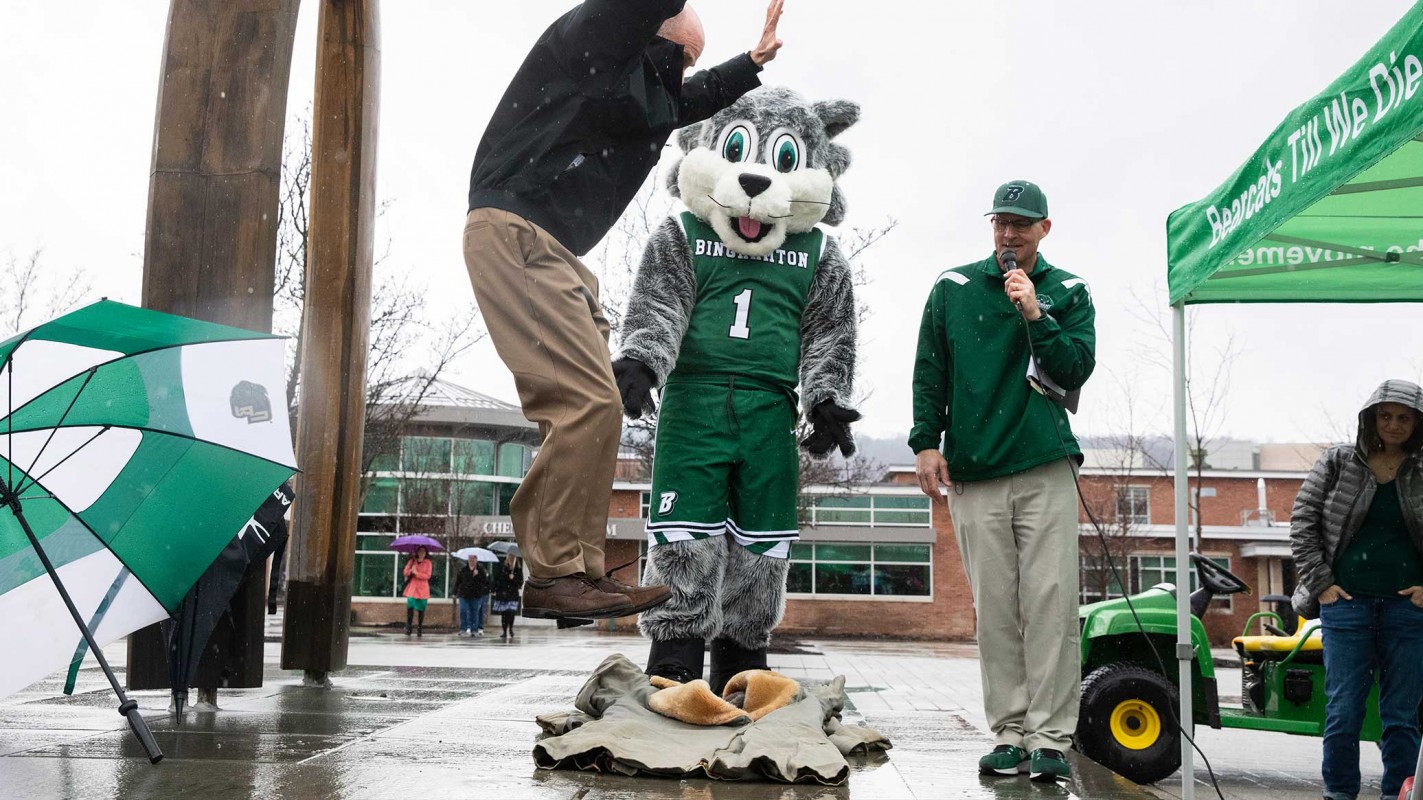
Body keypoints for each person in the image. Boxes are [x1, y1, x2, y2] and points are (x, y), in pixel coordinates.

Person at [462, 0, 784, 621]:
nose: (682, 74)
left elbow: (687, 102)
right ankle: (553, 572)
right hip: (516, 229)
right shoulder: (591, 43)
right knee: (582, 399)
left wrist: (749, 64)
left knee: (600, 403)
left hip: (555, 250)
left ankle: (579, 569)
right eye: (681, 57)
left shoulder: (644, 97)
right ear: (647, 35)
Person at [909, 180, 1095, 783]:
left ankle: (1050, 738)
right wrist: (924, 443)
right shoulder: (953, 287)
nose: (1009, 234)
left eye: (1022, 223)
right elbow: (930, 371)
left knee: (1050, 605)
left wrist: (1035, 310)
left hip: (1045, 465)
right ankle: (1010, 733)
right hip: (975, 469)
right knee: (995, 610)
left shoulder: (1069, 290)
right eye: (1001, 222)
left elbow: (1074, 369)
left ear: (1046, 228)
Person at [1291, 380, 1423, 800]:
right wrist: (1322, 583)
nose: (1394, 425)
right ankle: (1339, 795)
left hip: (1409, 611)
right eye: (1386, 416)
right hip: (1347, 607)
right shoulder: (1338, 462)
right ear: (1371, 417)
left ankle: (1397, 795)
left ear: (1417, 422)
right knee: (1343, 712)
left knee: (1403, 716)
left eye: (1404, 417)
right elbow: (1302, 522)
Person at [453, 557, 492, 637]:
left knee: (474, 612)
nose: (472, 561)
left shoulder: (480, 570)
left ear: (476, 560)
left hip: (476, 594)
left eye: (473, 559)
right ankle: (463, 629)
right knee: (463, 610)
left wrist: (477, 576)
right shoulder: (463, 570)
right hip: (464, 594)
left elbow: (485, 582)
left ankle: (474, 629)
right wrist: (455, 592)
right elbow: (458, 582)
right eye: (470, 559)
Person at [402, 546, 434, 638]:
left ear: (426, 553)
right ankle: (409, 626)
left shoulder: (428, 563)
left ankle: (420, 627)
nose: (421, 553)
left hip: (423, 588)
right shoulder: (412, 561)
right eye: (420, 551)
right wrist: (411, 571)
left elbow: (427, 575)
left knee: (421, 608)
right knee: (410, 605)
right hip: (413, 587)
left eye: (423, 551)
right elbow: (405, 572)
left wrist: (417, 573)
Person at [491, 553, 523, 640]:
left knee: (511, 613)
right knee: (504, 614)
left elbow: (520, 582)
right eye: (509, 557)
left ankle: (511, 628)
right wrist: (493, 589)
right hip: (503, 593)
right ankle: (504, 631)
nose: (510, 559)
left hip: (512, 594)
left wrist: (514, 579)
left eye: (512, 557)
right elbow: (497, 578)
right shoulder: (502, 567)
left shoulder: (518, 569)